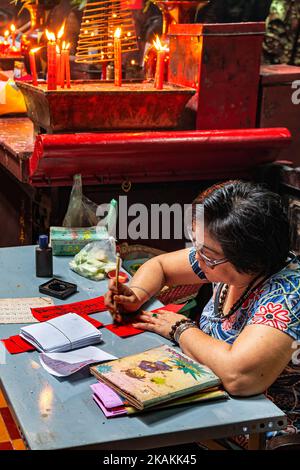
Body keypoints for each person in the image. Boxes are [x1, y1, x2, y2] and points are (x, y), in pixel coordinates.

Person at [105, 180, 300, 445]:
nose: (197, 259)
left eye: (207, 253)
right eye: (196, 245)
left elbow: (239, 376)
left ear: (249, 259)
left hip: (264, 429)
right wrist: (136, 294)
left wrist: (181, 329)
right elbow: (160, 266)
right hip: (213, 410)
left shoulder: (288, 293)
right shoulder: (221, 263)